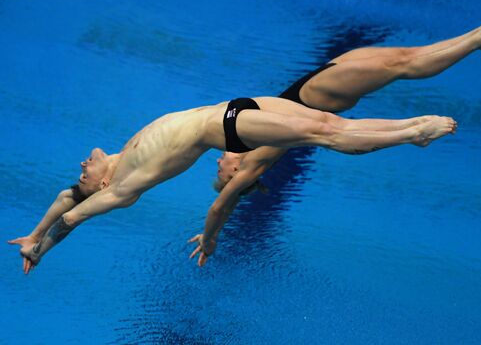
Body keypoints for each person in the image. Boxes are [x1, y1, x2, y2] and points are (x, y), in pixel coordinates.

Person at [196, 19, 481, 266]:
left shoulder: (248, 138)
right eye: (221, 171)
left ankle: (478, 41)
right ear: (234, 171)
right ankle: (480, 38)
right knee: (403, 65)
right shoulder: (252, 162)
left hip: (323, 77)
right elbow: (219, 206)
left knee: (406, 57)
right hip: (321, 92)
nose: (217, 161)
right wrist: (210, 240)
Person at [9, 95, 457, 274]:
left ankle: (410, 126)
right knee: (321, 134)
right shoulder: (123, 186)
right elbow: (72, 211)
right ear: (102, 185)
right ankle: (412, 135)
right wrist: (42, 248)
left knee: (328, 121)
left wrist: (33, 231)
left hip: (234, 105)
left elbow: (64, 198)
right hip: (225, 126)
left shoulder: (123, 154)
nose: (82, 164)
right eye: (84, 174)